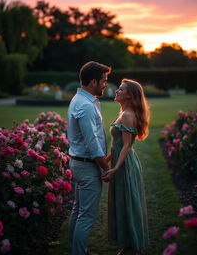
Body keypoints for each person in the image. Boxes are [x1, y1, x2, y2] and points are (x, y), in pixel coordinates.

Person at [67, 61, 111, 255]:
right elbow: (92, 144)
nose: (106, 84)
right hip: (86, 166)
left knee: (78, 212)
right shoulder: (85, 105)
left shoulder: (82, 100)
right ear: (93, 81)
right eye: (104, 80)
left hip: (80, 163)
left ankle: (77, 250)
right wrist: (105, 168)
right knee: (86, 216)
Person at [102, 79, 150, 255]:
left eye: (120, 89)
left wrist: (115, 168)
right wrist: (107, 160)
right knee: (122, 201)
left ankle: (131, 247)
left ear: (129, 95)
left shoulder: (128, 115)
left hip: (125, 165)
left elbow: (126, 146)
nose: (116, 91)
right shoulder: (123, 112)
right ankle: (127, 246)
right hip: (119, 161)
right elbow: (117, 144)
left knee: (128, 202)